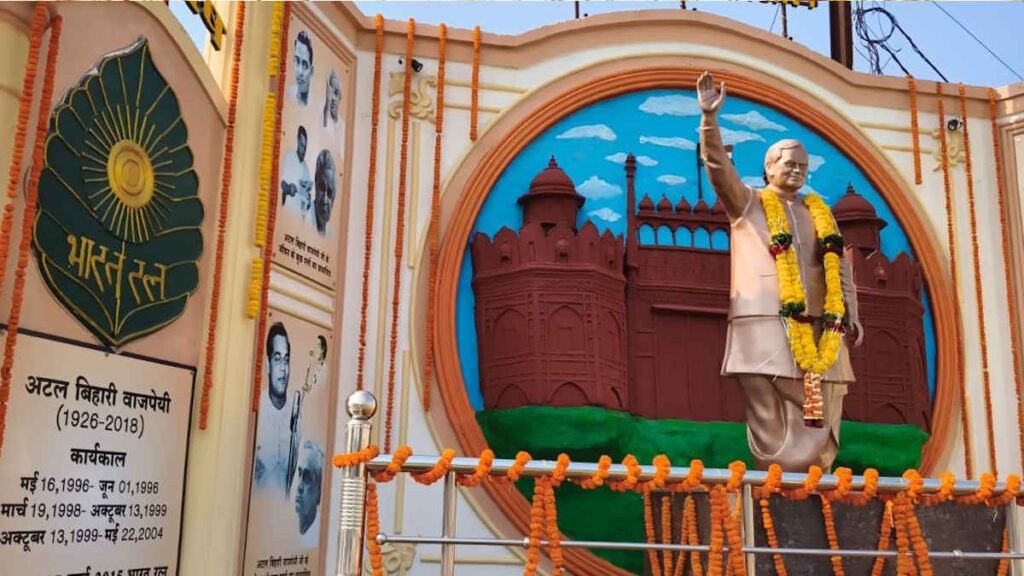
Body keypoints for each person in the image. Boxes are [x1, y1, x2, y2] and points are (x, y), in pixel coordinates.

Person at [696, 71, 862, 472]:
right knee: (766, 410)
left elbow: (840, 270)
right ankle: (773, 481)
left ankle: (811, 479)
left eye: (803, 166)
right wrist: (709, 119)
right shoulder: (747, 204)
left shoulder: (820, 215)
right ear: (769, 168)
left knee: (820, 411)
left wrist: (851, 313)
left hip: (821, 329)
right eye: (790, 164)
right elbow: (718, 168)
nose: (798, 172)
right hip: (763, 325)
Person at [254, 322, 302, 495]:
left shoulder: (296, 414)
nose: (283, 369)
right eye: (277, 359)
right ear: (268, 364)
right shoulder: (257, 408)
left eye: (286, 360)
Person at [295, 440, 324, 548]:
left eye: (307, 477)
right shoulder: (285, 529)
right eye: (299, 474)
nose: (299, 487)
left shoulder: (320, 537)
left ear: (319, 491)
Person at [281, 126, 312, 219]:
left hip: (300, 217)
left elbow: (307, 195)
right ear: (298, 141)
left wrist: (309, 199)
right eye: (302, 145)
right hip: (287, 213)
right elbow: (281, 183)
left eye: (305, 147)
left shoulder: (306, 168)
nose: (303, 150)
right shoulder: (289, 157)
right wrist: (289, 188)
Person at [322, 69, 347, 156]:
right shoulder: (324, 119)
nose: (332, 98)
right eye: (330, 92)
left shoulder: (343, 126)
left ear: (340, 97)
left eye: (335, 93)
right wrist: (326, 105)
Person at [313, 150, 336, 236]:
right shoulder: (301, 220)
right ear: (316, 184)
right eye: (322, 188)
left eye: (329, 192)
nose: (325, 200)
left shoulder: (331, 236)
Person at [290, 31, 313, 106]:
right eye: (297, 61)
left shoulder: (315, 103)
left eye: (304, 65)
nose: (300, 71)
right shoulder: (289, 96)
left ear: (311, 72)